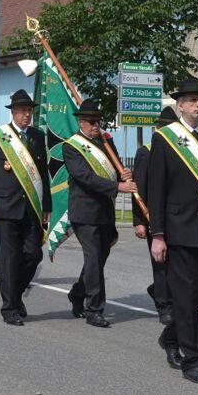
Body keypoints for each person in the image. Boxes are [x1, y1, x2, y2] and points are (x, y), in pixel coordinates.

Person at [146, 78, 198, 386]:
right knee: (185, 294)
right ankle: (193, 361)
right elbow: (156, 189)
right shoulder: (165, 138)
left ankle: (171, 337)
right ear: (179, 105)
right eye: (192, 100)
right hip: (178, 229)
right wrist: (157, 234)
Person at [0, 89, 51, 326]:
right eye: (22, 111)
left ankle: (16, 294)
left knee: (33, 254)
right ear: (13, 112)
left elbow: (42, 174)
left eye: (29, 111)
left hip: (31, 208)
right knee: (9, 259)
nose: (27, 115)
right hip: (5, 207)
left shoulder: (37, 136)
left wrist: (47, 205)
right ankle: (9, 308)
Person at [64, 99, 136, 328]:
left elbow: (114, 168)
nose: (96, 125)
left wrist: (123, 173)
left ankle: (78, 292)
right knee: (94, 257)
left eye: (98, 121)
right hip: (84, 211)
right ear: (81, 122)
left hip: (105, 209)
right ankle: (94, 309)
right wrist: (118, 186)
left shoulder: (106, 142)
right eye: (91, 121)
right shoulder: (71, 147)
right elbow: (85, 177)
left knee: (99, 258)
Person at [132, 106, 177, 325]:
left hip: (177, 216)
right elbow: (139, 189)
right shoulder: (146, 151)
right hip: (154, 215)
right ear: (157, 129)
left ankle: (159, 291)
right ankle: (164, 306)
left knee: (176, 263)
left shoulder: (179, 150)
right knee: (160, 263)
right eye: (164, 127)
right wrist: (139, 221)